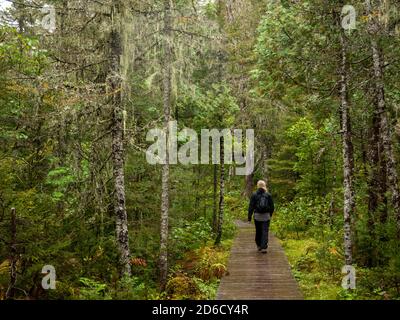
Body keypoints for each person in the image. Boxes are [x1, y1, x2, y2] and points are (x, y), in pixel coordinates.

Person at [247, 180, 274, 254]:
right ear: (264, 185)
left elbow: (251, 207)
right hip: (266, 216)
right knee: (265, 231)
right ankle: (264, 247)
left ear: (258, 186)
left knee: (258, 231)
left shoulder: (254, 195)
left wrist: (249, 217)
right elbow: (272, 207)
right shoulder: (268, 195)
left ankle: (259, 245)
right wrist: (270, 214)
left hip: (257, 216)